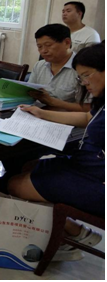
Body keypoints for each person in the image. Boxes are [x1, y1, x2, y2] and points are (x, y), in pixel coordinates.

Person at [7, 44, 104, 260]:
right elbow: (87, 117)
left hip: (98, 179)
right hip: (86, 163)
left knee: (15, 184)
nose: (84, 83)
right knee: (28, 169)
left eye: (87, 75)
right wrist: (41, 113)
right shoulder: (103, 99)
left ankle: (75, 232)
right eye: (80, 77)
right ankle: (66, 230)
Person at [28, 24, 88, 112]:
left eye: (48, 45)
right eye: (39, 47)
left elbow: (89, 108)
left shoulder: (82, 69)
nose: (43, 51)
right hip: (36, 114)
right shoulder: (39, 65)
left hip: (66, 118)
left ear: (67, 43)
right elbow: (29, 93)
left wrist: (53, 102)